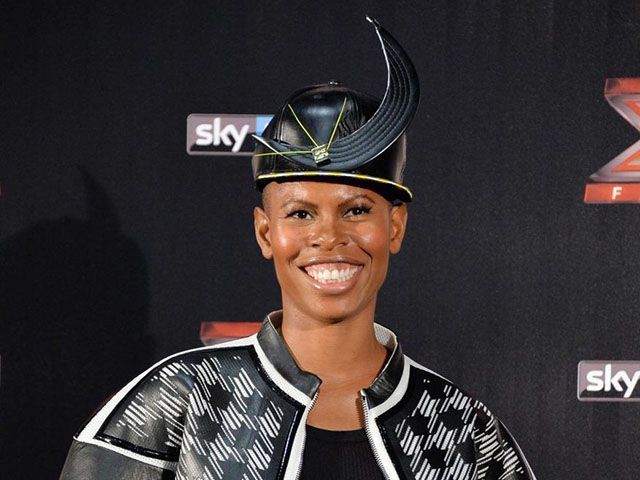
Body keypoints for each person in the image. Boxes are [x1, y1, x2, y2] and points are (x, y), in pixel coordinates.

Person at [59, 18, 535, 480]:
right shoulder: (177, 401)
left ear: (395, 226)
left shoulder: (464, 430)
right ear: (266, 233)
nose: (328, 237)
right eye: (301, 214)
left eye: (355, 210)